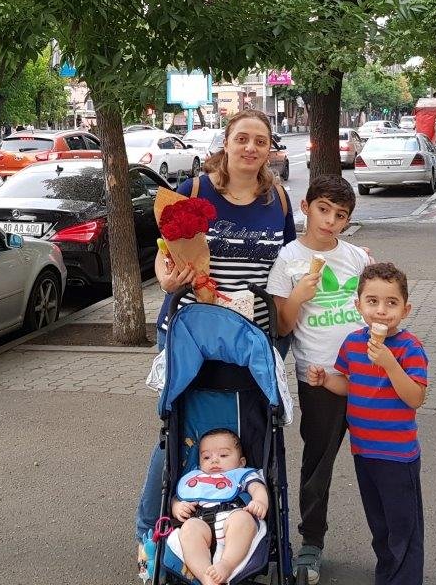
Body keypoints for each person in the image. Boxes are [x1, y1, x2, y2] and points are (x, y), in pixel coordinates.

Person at [136, 108, 296, 570]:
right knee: (179, 431)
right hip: (193, 333)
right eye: (242, 138)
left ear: (269, 149)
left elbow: (287, 263)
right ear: (225, 143)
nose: (250, 148)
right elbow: (165, 253)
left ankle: (249, 530)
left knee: (254, 430)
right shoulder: (194, 191)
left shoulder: (278, 200)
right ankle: (150, 531)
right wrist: (166, 279)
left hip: (254, 336)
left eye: (260, 141)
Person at [266, 175, 369, 584]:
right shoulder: (288, 259)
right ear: (306, 207)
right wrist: (297, 297)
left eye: (340, 215)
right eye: (323, 210)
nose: (330, 221)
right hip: (319, 377)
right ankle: (311, 540)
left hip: (366, 376)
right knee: (318, 464)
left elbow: (374, 304)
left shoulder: (355, 258)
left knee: (380, 461)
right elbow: (283, 325)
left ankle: (392, 543)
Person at [307, 263, 427, 585]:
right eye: (372, 301)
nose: (381, 311)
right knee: (380, 525)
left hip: (398, 457)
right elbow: (351, 384)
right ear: (358, 305)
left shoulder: (409, 348)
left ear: (405, 310)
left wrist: (389, 363)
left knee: (403, 528)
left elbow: (415, 397)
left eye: (391, 303)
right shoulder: (352, 343)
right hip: (364, 451)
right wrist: (326, 381)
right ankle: (387, 575)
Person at [170, 429, 269, 585]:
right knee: (189, 528)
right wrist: (177, 507)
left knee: (243, 519)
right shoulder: (195, 478)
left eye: (223, 455)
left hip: (232, 522)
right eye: (206, 457)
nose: (214, 460)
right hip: (201, 524)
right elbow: (178, 497)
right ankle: (206, 576)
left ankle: (226, 565)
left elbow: (257, 488)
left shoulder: (241, 474)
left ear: (241, 462)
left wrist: (260, 501)